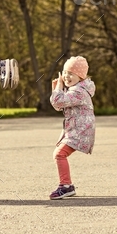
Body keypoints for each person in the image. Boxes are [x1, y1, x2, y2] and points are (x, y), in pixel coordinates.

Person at [49, 56, 95, 199]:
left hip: (80, 131)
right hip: (77, 129)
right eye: (64, 72)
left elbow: (57, 100)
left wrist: (58, 88)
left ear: (80, 76)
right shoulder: (76, 89)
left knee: (59, 154)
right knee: (59, 154)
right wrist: (59, 89)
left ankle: (66, 186)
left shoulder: (78, 91)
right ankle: (67, 185)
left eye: (71, 74)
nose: (66, 77)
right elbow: (58, 105)